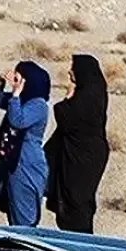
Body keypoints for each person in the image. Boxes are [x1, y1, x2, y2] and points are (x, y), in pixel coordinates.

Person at [44, 54, 110, 234]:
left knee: (76, 201)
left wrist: (68, 97)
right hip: (84, 153)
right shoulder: (94, 90)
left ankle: (81, 240)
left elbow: (65, 117)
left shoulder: (87, 96)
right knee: (76, 199)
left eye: (73, 68)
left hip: (82, 157)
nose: (69, 71)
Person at [0, 61, 51, 227]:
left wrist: (15, 95)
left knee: (24, 218)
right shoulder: (22, 99)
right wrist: (0, 81)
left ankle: (26, 249)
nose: (15, 79)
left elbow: (18, 121)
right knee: (14, 210)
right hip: (14, 162)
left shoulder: (38, 105)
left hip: (26, 164)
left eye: (19, 76)